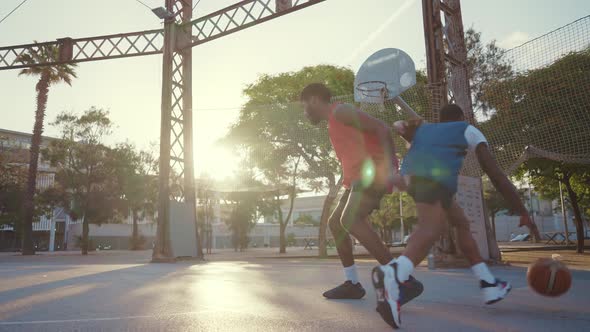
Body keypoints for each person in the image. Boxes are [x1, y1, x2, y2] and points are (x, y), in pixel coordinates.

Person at [376, 104, 541, 329]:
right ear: (462, 117)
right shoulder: (468, 129)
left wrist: (405, 132)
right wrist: (522, 210)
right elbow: (495, 173)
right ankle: (393, 274)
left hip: (413, 177)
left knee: (461, 223)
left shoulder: (427, 129)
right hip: (434, 177)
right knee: (430, 229)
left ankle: (488, 282)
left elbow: (399, 126)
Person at [299, 83, 423, 305]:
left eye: (305, 105)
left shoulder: (341, 111)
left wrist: (390, 170)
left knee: (349, 219)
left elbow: (382, 129)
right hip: (356, 179)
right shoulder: (334, 121)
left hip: (373, 173)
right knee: (336, 223)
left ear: (315, 99)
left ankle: (403, 281)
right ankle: (352, 284)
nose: (305, 110)